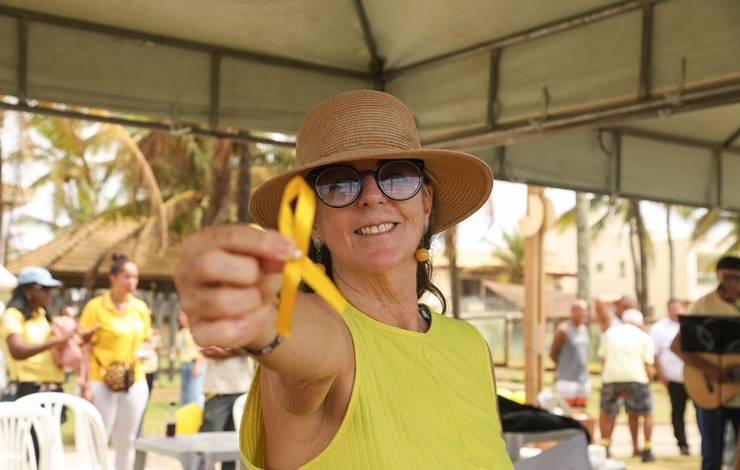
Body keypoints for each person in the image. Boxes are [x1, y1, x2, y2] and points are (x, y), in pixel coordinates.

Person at [174, 90, 513, 469]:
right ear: (313, 221)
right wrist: (261, 317)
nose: (371, 196)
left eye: (397, 175)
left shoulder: (470, 346)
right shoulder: (326, 339)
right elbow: (312, 350)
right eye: (339, 184)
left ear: (426, 201)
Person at [80, 254, 152, 470]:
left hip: (134, 379)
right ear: (113, 278)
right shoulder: (95, 307)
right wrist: (85, 383)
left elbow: (147, 340)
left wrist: (147, 349)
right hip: (101, 380)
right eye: (126, 276)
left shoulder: (140, 308)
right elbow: (84, 346)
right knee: (99, 438)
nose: (132, 282)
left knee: (127, 440)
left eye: (135, 277)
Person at [671, 255, 740, 470]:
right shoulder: (703, 305)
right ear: (718, 276)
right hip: (710, 392)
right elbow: (677, 346)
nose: (732, 284)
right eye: (728, 278)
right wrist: (708, 368)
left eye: (737, 278)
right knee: (712, 458)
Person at [1, 267, 73, 399]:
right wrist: (54, 343)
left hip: (52, 387)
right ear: (27, 290)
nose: (50, 293)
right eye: (44, 289)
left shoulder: (42, 314)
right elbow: (17, 350)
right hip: (28, 388)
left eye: (51, 289)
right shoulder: (13, 315)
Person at [598, 308, 655, 462]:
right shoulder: (644, 336)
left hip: (611, 377)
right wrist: (649, 379)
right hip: (637, 378)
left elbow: (602, 359)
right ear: (640, 322)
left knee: (607, 412)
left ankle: (605, 446)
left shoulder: (610, 333)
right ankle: (647, 449)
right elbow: (648, 364)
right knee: (645, 413)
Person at [198, 346, 253, 470]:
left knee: (234, 446)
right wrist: (239, 349)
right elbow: (207, 350)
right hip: (217, 391)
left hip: (242, 389)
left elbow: (255, 348)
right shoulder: (211, 326)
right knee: (207, 442)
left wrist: (227, 350)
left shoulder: (246, 327)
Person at [650, 298, 691, 456]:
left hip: (694, 379)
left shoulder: (689, 325)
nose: (676, 311)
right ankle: (682, 444)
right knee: (677, 411)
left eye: (678, 308)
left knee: (702, 411)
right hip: (673, 379)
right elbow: (654, 355)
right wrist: (661, 376)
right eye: (672, 308)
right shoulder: (658, 328)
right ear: (668, 310)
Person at [549, 299, 590, 407]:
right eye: (581, 311)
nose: (584, 314)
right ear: (572, 312)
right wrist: (563, 367)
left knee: (581, 413)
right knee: (565, 414)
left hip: (583, 380)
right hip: (566, 381)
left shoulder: (584, 329)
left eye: (586, 311)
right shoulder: (563, 330)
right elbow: (552, 354)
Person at [173, 310, 204, 407]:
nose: (180, 318)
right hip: (184, 365)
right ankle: (185, 420)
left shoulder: (196, 332)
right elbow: (180, 349)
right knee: (184, 395)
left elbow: (202, 350)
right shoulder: (180, 332)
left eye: (183, 315)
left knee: (194, 394)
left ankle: (196, 420)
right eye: (180, 316)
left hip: (194, 365)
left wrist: (198, 366)